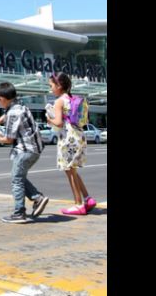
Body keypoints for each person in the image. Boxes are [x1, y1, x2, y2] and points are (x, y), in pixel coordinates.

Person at [0, 82, 49, 224]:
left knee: (16, 180)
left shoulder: (13, 113)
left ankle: (19, 213)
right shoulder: (19, 105)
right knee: (19, 177)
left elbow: (9, 139)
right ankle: (37, 198)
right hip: (34, 149)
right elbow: (5, 116)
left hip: (25, 150)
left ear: (2, 98)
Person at [47, 72, 96, 216]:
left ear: (59, 85)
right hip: (79, 136)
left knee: (70, 172)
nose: (51, 89)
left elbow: (58, 122)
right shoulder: (72, 98)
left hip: (68, 138)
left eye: (51, 86)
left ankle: (78, 204)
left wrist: (48, 119)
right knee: (73, 170)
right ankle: (88, 199)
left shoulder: (59, 101)